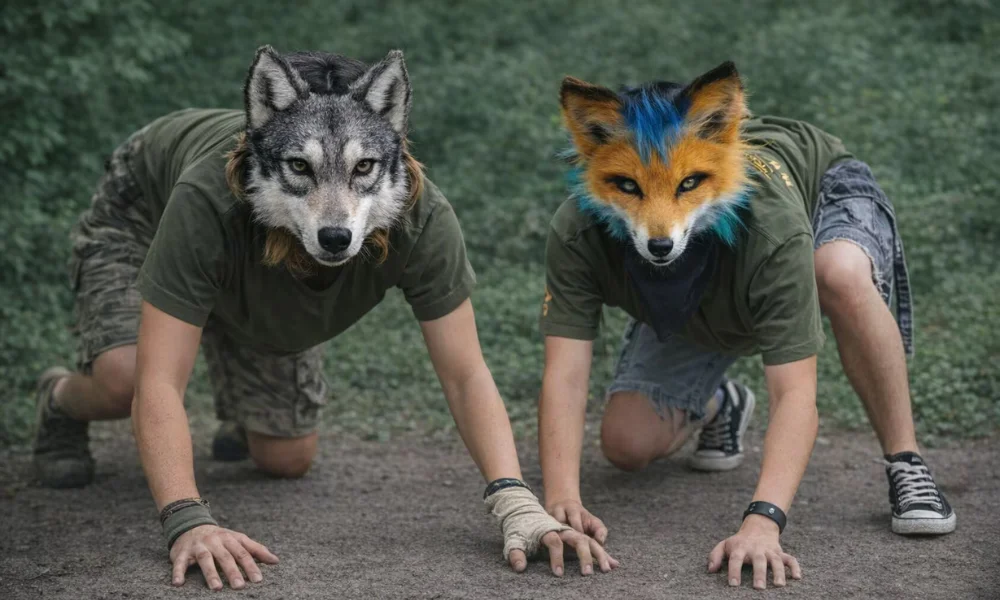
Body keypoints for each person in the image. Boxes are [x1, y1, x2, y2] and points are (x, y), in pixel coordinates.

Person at [32, 46, 615, 590]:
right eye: (301, 169)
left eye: (363, 171)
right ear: (264, 145)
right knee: (127, 378)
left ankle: (233, 371)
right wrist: (188, 521)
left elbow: (466, 373)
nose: (336, 214)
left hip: (264, 257)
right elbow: (161, 382)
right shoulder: (205, 198)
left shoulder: (420, 215)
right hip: (143, 209)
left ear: (392, 159)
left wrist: (518, 504)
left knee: (286, 458)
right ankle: (60, 400)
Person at [537, 62, 955, 590]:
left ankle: (907, 461)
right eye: (630, 188)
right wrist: (560, 501)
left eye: (686, 185)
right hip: (704, 294)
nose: (659, 226)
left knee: (840, 274)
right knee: (626, 444)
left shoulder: (774, 228)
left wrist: (763, 523)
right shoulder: (578, 231)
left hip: (823, 191)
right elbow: (565, 374)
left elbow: (796, 392)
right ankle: (721, 403)